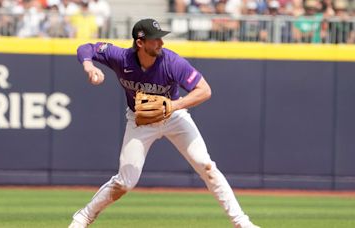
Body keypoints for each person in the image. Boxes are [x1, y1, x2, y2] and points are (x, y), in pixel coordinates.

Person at [68, 18, 260, 228]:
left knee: (207, 167)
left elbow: (205, 91)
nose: (161, 43)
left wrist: (173, 106)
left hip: (174, 117)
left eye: (160, 38)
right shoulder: (120, 58)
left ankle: (242, 223)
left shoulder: (172, 62)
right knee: (125, 182)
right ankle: (83, 217)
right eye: (155, 39)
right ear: (140, 42)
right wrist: (89, 67)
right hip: (140, 121)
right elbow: (86, 47)